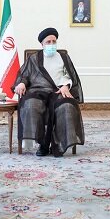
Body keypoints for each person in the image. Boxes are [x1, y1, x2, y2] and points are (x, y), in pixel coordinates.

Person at [13, 27, 84, 157]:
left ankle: (59, 143)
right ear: (42, 44)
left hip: (58, 91)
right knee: (30, 104)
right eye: (48, 42)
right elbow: (25, 74)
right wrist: (22, 83)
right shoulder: (34, 58)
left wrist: (65, 85)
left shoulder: (64, 57)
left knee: (67, 106)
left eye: (54, 41)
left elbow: (70, 75)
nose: (51, 44)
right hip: (38, 91)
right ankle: (43, 144)